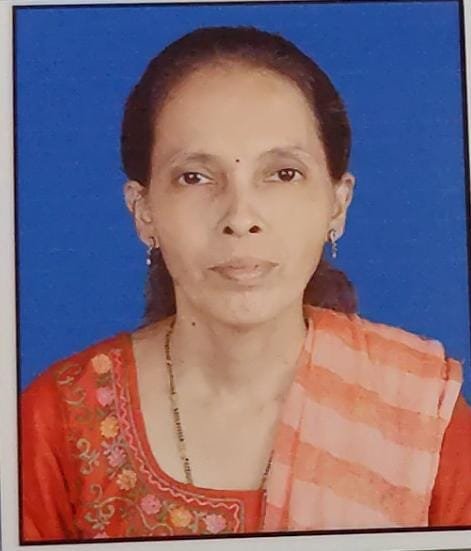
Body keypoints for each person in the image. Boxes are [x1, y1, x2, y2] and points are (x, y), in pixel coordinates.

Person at [20, 26, 471, 541]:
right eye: (195, 177)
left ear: (337, 204)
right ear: (143, 212)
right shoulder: (60, 421)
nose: (240, 217)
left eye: (283, 174)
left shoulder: (420, 419)